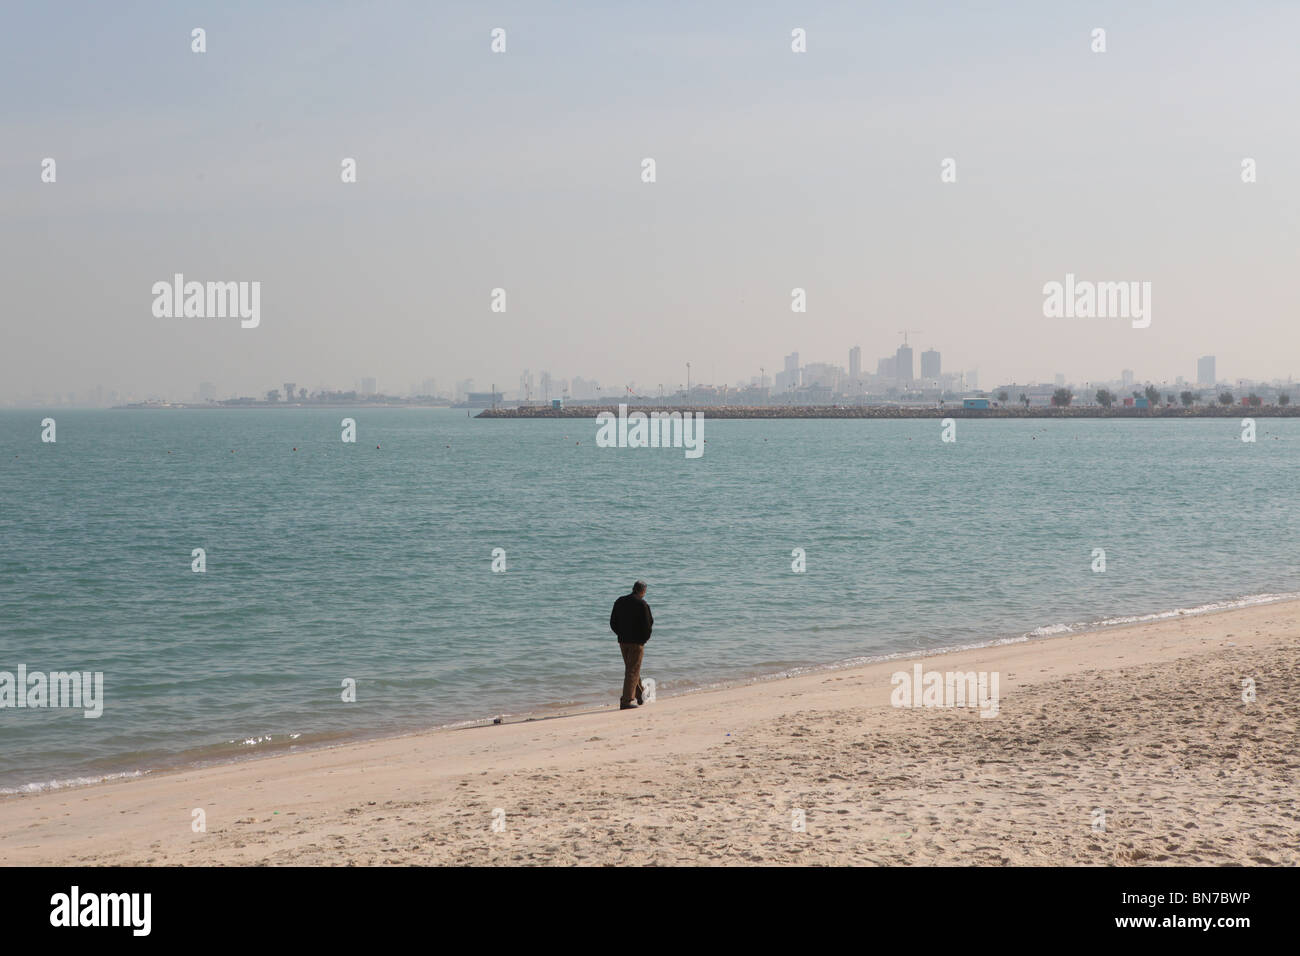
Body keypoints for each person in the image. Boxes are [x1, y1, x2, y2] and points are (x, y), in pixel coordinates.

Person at [609, 581, 653, 710]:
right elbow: (648, 624)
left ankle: (640, 694)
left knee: (632, 669)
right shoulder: (642, 604)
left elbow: (613, 622)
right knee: (632, 670)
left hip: (623, 641)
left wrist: (620, 634)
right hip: (636, 642)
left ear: (633, 589)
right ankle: (626, 701)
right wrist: (644, 639)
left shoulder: (620, 601)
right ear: (643, 591)